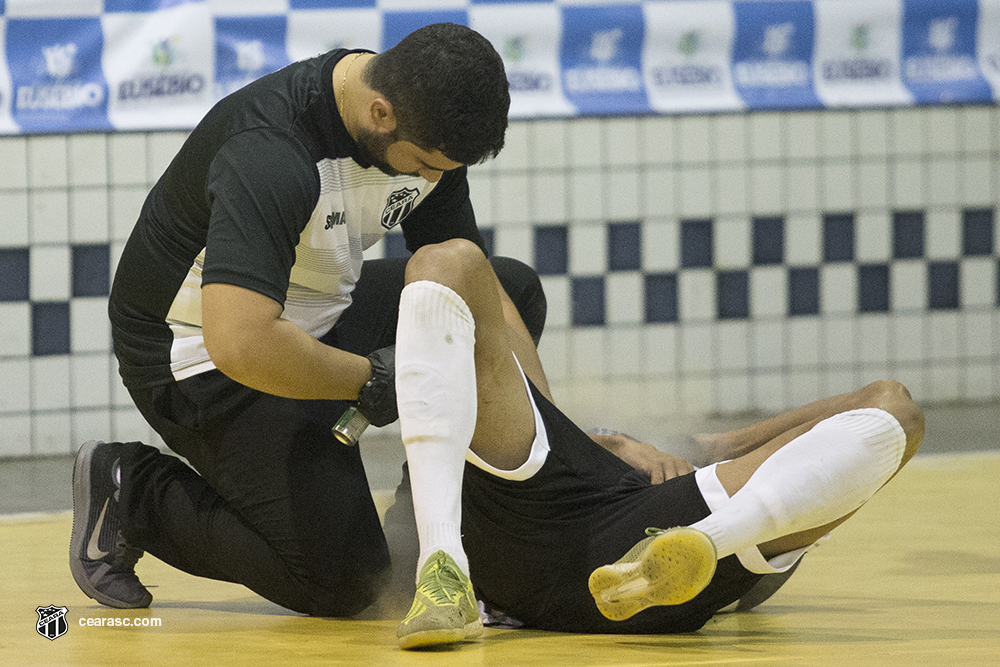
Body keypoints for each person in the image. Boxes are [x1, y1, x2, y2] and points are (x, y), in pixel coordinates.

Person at [69, 22, 547, 629]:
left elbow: (472, 284)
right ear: (381, 112)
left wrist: (548, 444)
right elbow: (242, 343)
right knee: (346, 583)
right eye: (426, 166)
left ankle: (427, 526)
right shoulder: (271, 153)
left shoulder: (422, 127)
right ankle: (133, 492)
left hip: (317, 317)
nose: (432, 181)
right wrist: (371, 379)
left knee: (510, 295)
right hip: (201, 361)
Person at [380, 238, 924, 648]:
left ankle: (442, 569)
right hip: (672, 544)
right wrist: (613, 440)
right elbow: (723, 447)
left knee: (447, 262)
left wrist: (612, 441)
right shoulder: (708, 478)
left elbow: (714, 447)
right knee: (893, 406)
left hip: (527, 528)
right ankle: (706, 541)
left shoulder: (657, 460)